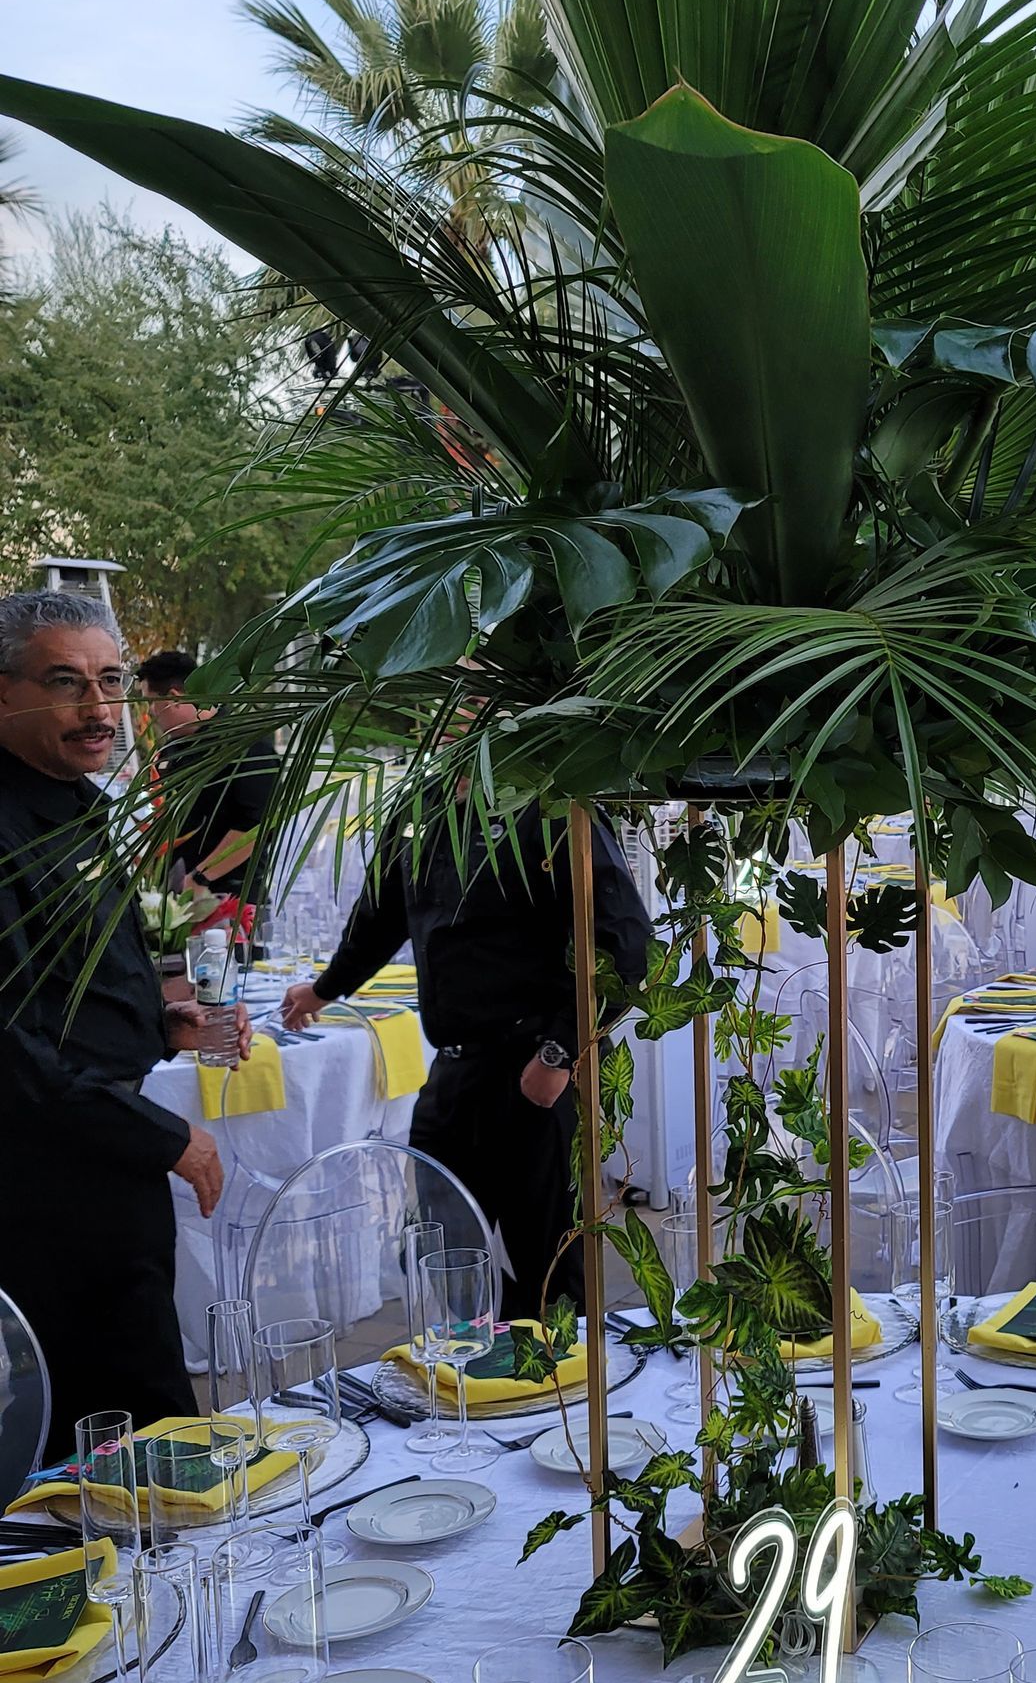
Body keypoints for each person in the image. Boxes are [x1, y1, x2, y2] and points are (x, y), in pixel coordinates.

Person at [0, 592, 249, 1452]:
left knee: (148, 1419)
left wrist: (161, 1021)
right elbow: (12, 1050)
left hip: (104, 1172)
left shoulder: (73, 798)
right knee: (119, 1438)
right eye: (67, 683)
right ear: (3, 691)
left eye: (111, 682)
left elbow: (70, 984)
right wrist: (165, 1137)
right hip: (46, 1191)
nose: (100, 710)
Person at [281, 805, 650, 1316]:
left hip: (535, 1068)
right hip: (455, 1066)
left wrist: (559, 1052)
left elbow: (624, 945)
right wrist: (324, 990)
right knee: (440, 1245)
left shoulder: (554, 809)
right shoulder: (418, 809)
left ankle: (555, 1374)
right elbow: (380, 918)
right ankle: (492, 1353)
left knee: (549, 1259)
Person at [135, 649, 278, 909]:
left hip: (230, 898)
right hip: (175, 895)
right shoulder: (172, 748)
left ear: (174, 698)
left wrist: (201, 876)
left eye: (150, 702)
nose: (149, 713)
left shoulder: (246, 744)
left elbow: (256, 827)